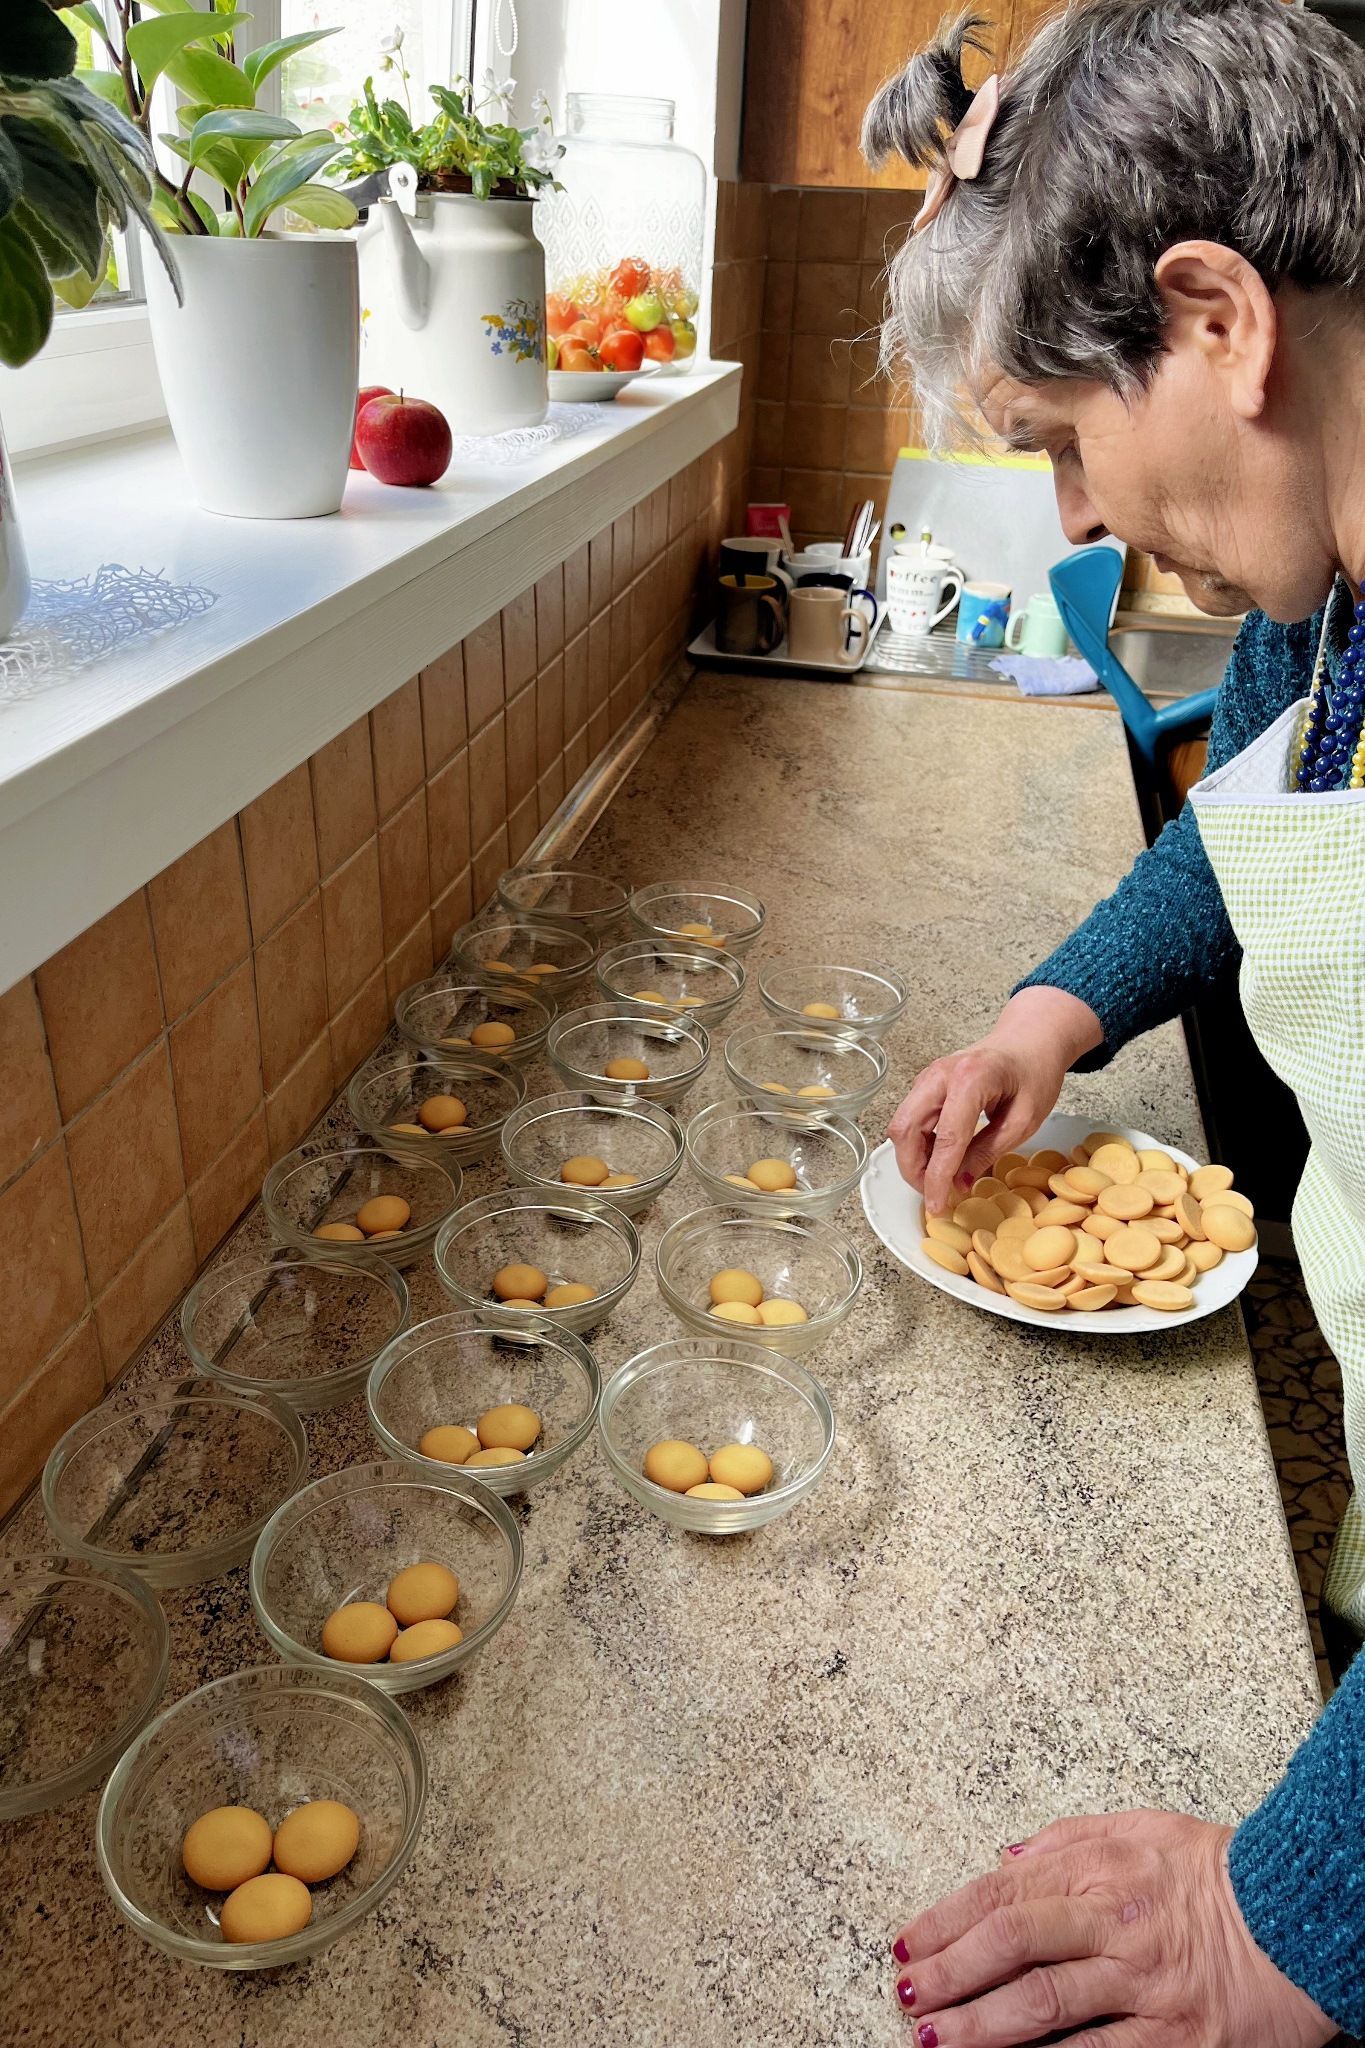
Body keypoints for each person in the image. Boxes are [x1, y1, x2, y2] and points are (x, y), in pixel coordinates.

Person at [862, 0, 1365, 2040]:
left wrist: (1289, 1910)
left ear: (1214, 317)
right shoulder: (1328, 602)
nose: (1070, 517)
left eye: (1059, 440)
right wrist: (1047, 1016)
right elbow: (1248, 824)